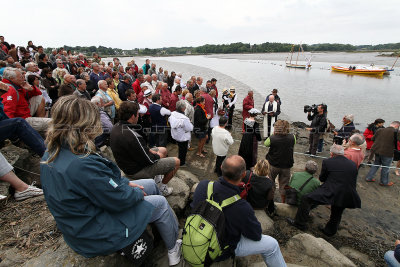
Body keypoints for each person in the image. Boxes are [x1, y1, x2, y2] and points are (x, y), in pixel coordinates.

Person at [40, 96, 182, 265]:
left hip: (81, 217)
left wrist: (125, 183)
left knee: (151, 184)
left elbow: (101, 185)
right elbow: (117, 198)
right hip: (93, 228)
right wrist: (134, 192)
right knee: (160, 203)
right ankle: (173, 250)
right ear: (84, 126)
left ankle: (163, 228)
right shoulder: (81, 164)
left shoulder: (53, 152)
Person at [191, 155, 287, 266]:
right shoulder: (242, 207)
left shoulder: (203, 185)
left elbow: (194, 208)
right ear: (243, 175)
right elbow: (255, 235)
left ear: (221, 167)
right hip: (220, 249)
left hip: (196, 234)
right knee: (272, 244)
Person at [287, 144, 361, 236]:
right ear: (343, 153)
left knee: (306, 198)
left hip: (331, 190)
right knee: (337, 212)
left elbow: (322, 178)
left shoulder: (328, 162)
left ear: (331, 153)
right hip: (347, 192)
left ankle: (299, 223)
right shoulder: (352, 164)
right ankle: (329, 231)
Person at [110, 101, 180, 196]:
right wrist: (157, 156)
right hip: (136, 171)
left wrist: (150, 151)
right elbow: (149, 160)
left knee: (163, 149)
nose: (139, 116)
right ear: (132, 116)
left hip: (128, 164)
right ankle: (162, 188)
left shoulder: (116, 127)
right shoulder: (131, 135)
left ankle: (157, 179)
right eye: (138, 114)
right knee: (176, 162)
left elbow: (139, 149)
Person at [2, 68, 50, 132]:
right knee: (53, 123)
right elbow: (7, 111)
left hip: (24, 113)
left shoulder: (19, 86)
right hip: (22, 119)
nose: (24, 79)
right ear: (11, 78)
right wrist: (11, 129)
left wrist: (31, 89)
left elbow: (39, 93)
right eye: (21, 77)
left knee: (39, 97)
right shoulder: (10, 89)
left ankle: (39, 122)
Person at [264, 120, 296, 203]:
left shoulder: (272, 138)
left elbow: (266, 144)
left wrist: (273, 134)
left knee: (270, 181)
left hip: (273, 163)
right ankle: (283, 201)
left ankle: (270, 199)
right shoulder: (292, 137)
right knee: (284, 184)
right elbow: (294, 143)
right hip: (286, 165)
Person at [365, 121, 400, 186]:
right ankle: (384, 182)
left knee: (376, 164)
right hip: (388, 152)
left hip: (377, 150)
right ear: (397, 126)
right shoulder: (397, 132)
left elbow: (373, 138)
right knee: (385, 167)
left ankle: (368, 178)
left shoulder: (380, 130)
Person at [169, 100, 193, 167]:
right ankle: (181, 163)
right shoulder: (184, 118)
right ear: (183, 108)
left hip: (175, 135)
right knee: (183, 150)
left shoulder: (172, 114)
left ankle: (179, 160)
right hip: (183, 137)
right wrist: (189, 123)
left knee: (180, 148)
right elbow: (190, 128)